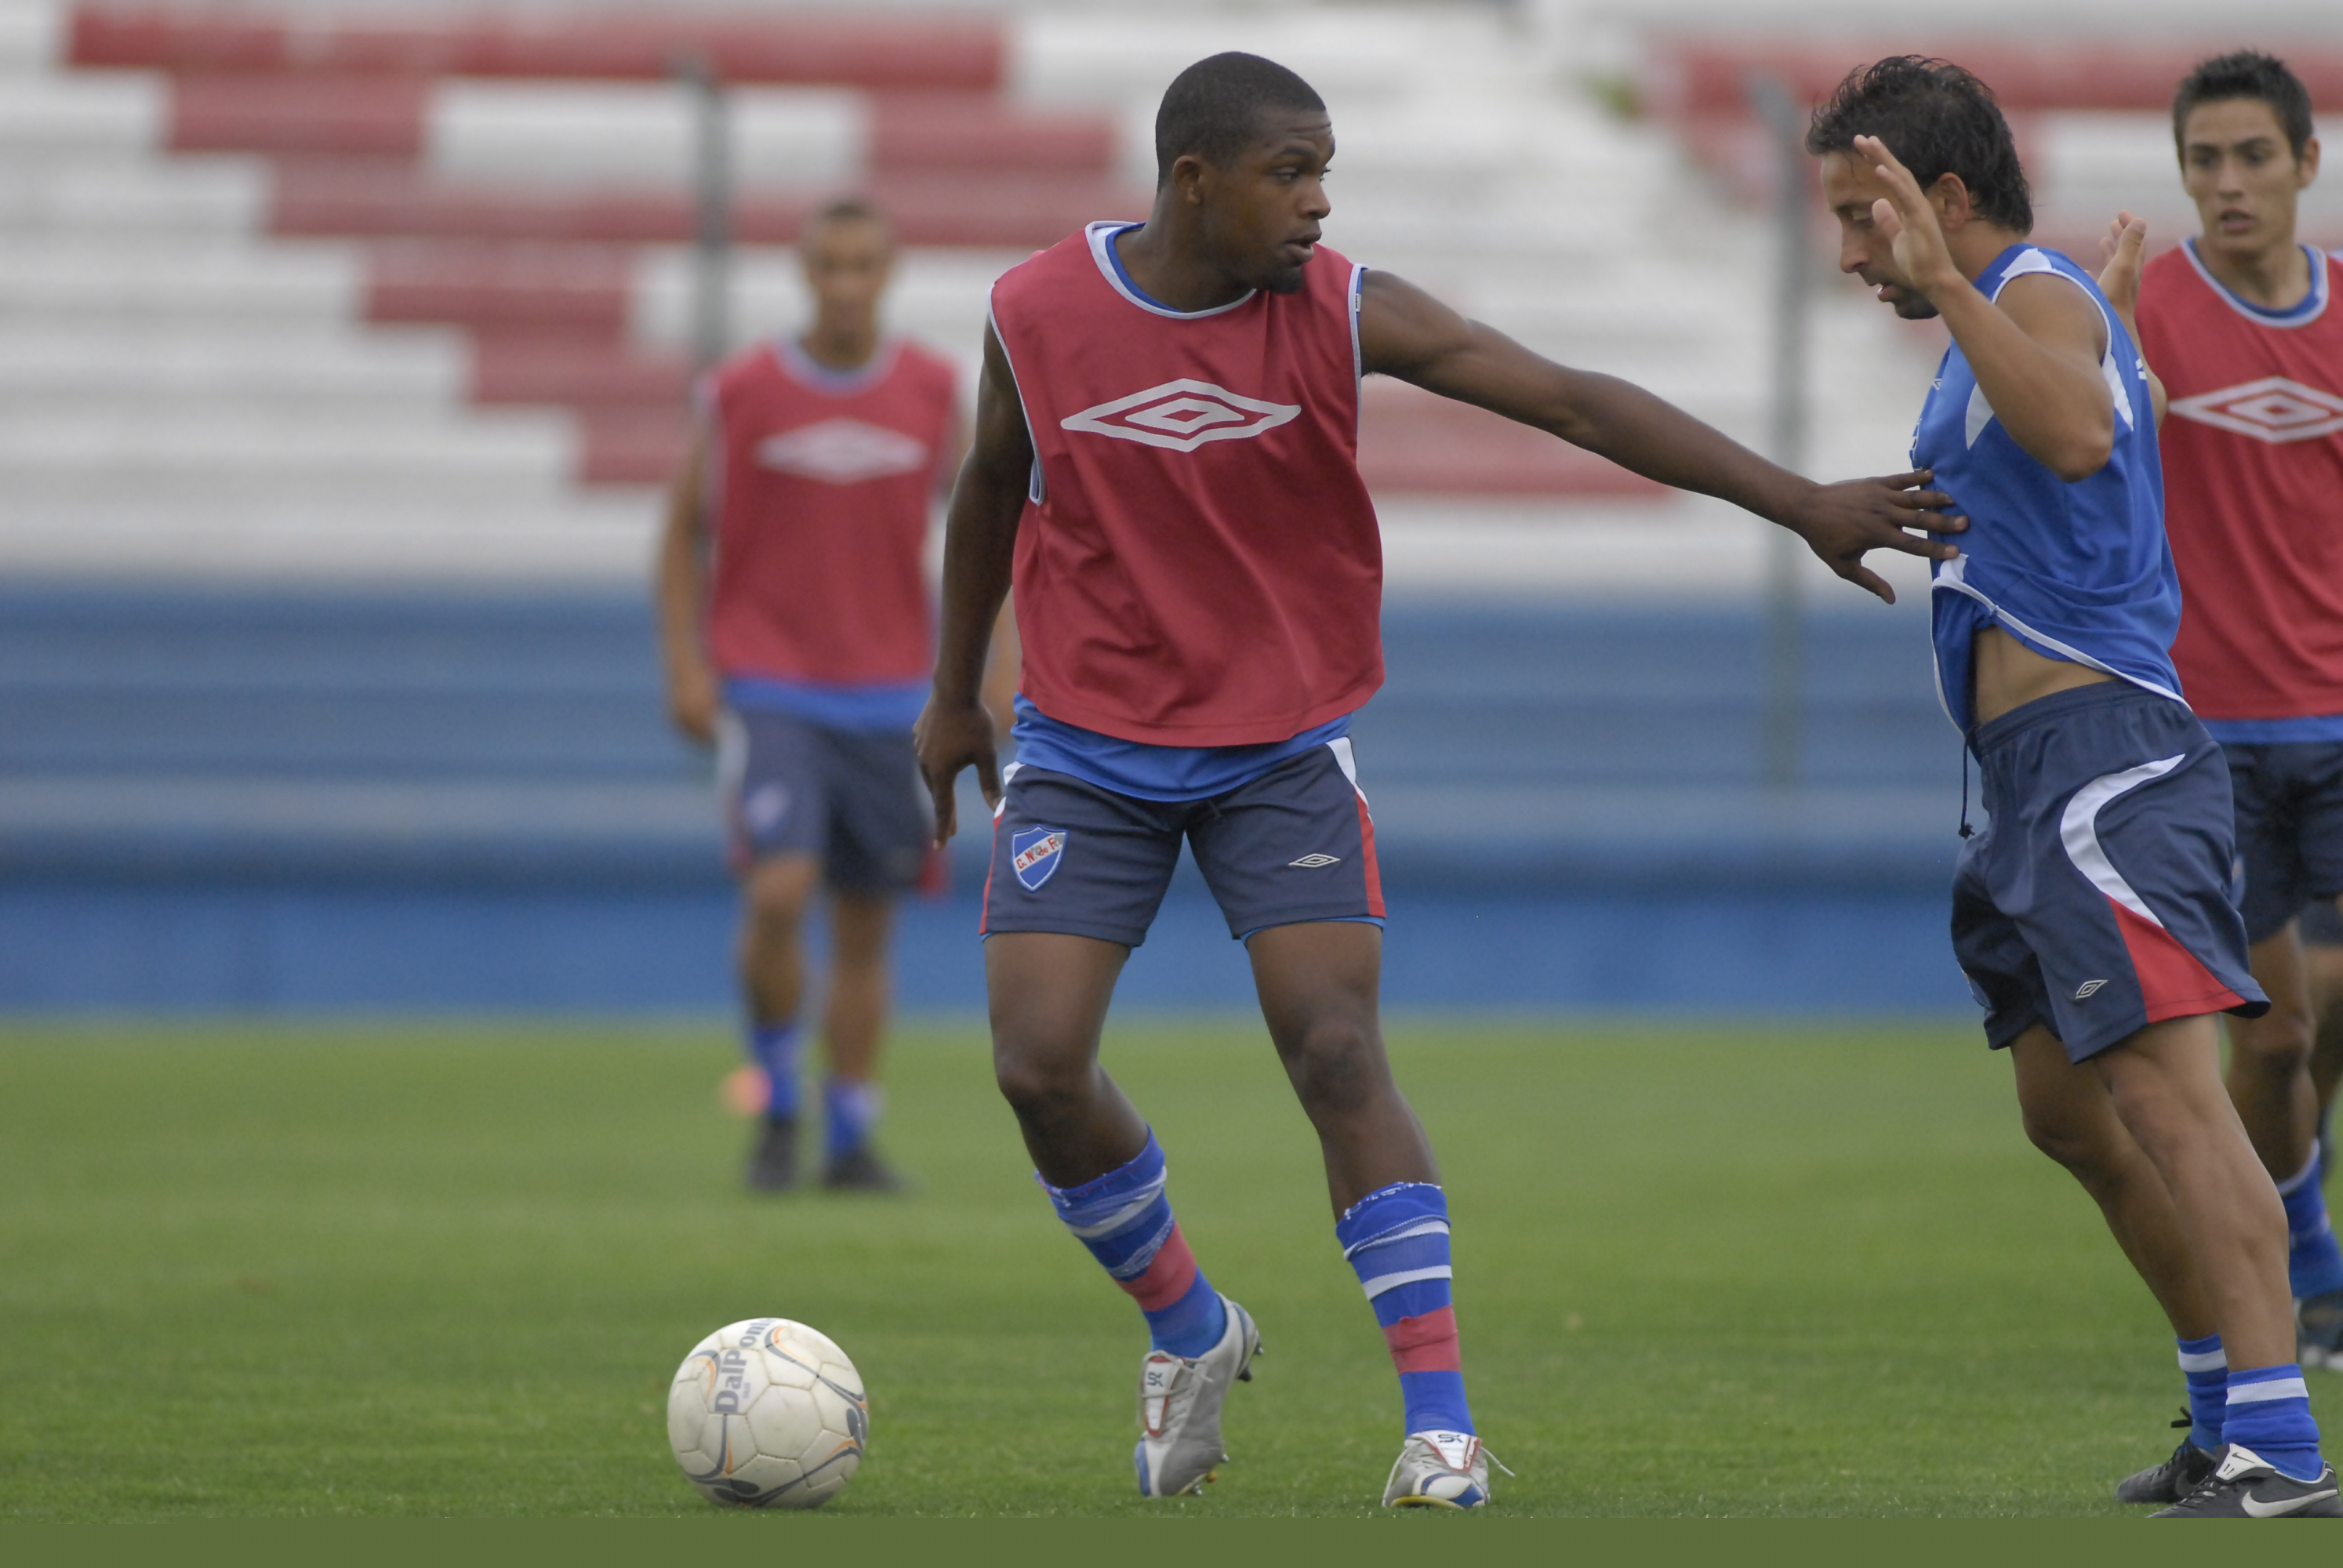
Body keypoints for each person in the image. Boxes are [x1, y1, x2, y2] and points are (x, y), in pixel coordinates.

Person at [914, 50, 1965, 1508]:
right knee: (1034, 1067)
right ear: (1191, 179)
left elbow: (1573, 402)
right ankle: (1189, 1328)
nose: (1317, 203)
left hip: (1278, 738)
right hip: (1087, 742)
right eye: (1291, 173)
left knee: (1334, 1052)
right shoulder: (1034, 313)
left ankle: (1440, 1430)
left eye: (1326, 171)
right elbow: (986, 482)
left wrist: (1795, 502)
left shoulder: (1343, 307)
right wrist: (952, 687)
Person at [1811, 55, 2336, 1517]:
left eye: (1864, 218)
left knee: (2173, 1104)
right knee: (2068, 1115)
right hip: (2024, 781)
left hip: (2104, 764)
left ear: (1942, 199)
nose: (1849, 252)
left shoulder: (2020, 296)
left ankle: (2284, 1453)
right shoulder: (2043, 305)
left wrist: (1992, 296)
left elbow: (2078, 430)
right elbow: (2085, 436)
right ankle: (2220, 1404)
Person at [657, 199, 1004, 1192]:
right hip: (773, 685)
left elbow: (990, 537)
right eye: (830, 265)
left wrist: (994, 670)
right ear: (805, 273)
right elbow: (682, 534)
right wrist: (687, 664)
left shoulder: (935, 392)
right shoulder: (742, 392)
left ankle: (849, 1131)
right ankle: (775, 1097)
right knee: (777, 890)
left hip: (893, 695)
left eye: (864, 265)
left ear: (887, 273)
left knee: (867, 921)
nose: (846, 283)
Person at [2128, 52, 2343, 1381]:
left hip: (2336, 715)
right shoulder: (2140, 310)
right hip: (2203, 734)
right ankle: (2309, 1267)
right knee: (2272, 1034)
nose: (2225, 185)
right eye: (2201, 161)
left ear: (2302, 164)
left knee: (2320, 1003)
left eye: (2249, 157)